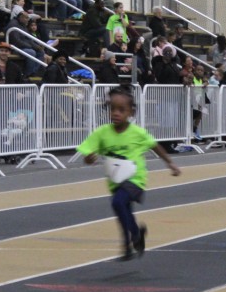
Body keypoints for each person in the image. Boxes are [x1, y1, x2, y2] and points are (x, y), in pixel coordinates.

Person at [77, 86, 180, 261]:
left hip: (135, 178)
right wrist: (88, 158)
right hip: (115, 180)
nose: (116, 113)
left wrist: (170, 163)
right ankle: (135, 236)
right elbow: (87, 153)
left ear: (131, 112)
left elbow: (155, 146)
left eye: (121, 110)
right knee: (123, 209)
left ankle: (128, 242)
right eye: (112, 109)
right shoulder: (102, 133)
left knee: (118, 202)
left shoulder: (137, 133)